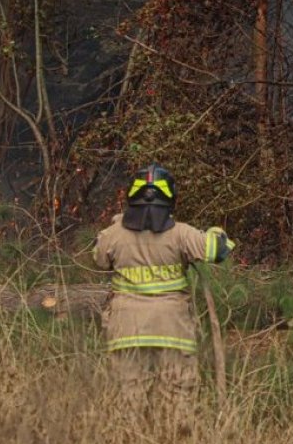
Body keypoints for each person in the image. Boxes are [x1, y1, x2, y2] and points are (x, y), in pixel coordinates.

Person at [93, 164, 236, 428]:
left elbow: (99, 258)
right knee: (177, 399)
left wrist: (115, 225)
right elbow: (218, 249)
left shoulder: (114, 234)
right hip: (173, 332)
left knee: (128, 400)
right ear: (170, 198)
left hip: (127, 332)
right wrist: (216, 232)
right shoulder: (182, 233)